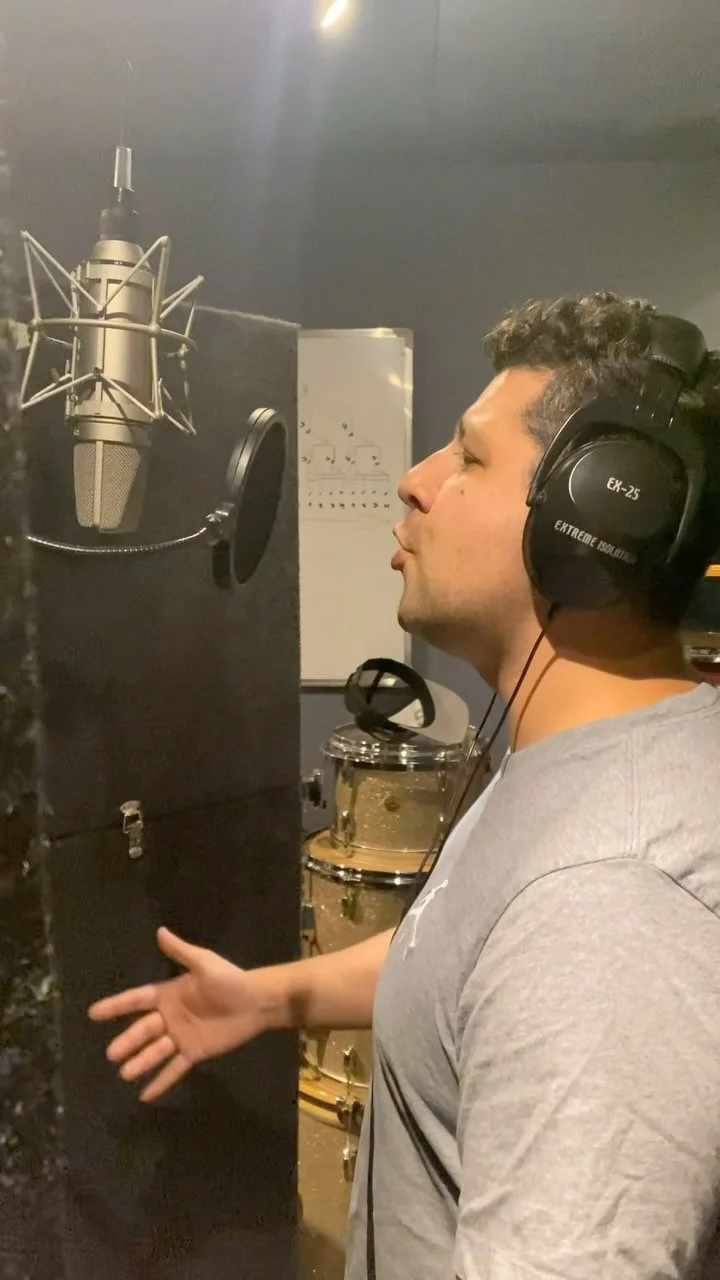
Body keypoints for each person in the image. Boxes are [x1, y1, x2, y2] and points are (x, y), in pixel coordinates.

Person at [89, 292, 720, 1279]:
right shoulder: (588, 771)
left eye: (469, 456)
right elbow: (475, 963)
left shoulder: (607, 900)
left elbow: (560, 954)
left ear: (593, 516)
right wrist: (268, 998)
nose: (416, 480)